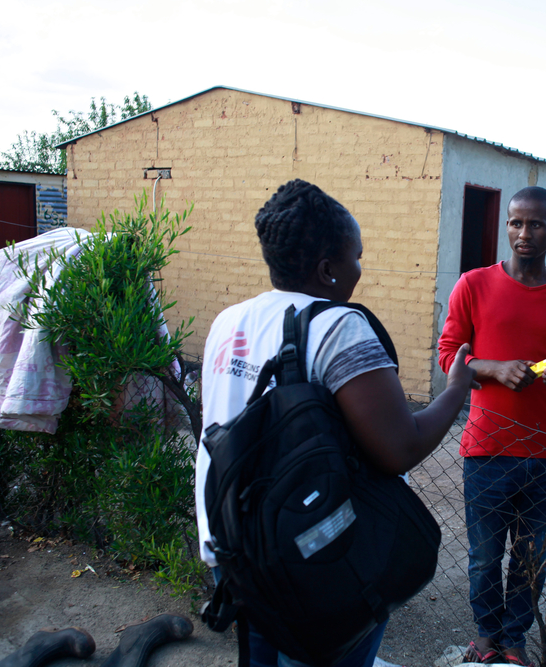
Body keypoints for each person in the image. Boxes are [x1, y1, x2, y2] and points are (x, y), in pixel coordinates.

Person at [194, 179, 478, 667]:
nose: (360, 269)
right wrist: (456, 388)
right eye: (356, 257)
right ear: (328, 269)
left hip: (236, 546)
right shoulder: (339, 327)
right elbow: (399, 448)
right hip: (310, 563)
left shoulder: (229, 319)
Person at [437, 186, 546, 666]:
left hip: (544, 454)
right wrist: (495, 368)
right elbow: (449, 357)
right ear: (506, 226)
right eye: (516, 223)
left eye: (536, 224)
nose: (525, 233)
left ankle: (514, 639)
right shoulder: (473, 285)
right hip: (486, 448)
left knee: (530, 560)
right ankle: (485, 635)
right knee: (485, 557)